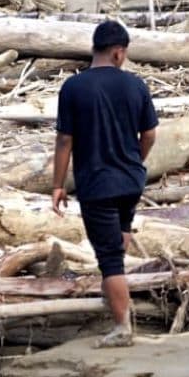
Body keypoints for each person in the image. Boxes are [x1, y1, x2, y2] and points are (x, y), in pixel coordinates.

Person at [51, 21, 158, 348]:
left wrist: (58, 184)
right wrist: (135, 162)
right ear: (119, 52)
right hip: (130, 180)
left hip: (97, 184)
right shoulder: (136, 85)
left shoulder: (74, 87)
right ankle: (116, 292)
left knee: (109, 259)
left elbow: (65, 140)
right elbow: (150, 134)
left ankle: (122, 326)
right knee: (120, 236)